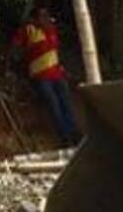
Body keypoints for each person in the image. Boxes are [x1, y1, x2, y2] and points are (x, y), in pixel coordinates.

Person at [11, 8, 81, 147]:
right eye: (42, 16)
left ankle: (74, 134)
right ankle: (65, 137)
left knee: (66, 103)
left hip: (57, 74)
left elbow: (56, 50)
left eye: (46, 15)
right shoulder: (28, 30)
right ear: (35, 19)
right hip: (41, 76)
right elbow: (15, 48)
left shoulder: (51, 29)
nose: (46, 18)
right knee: (53, 104)